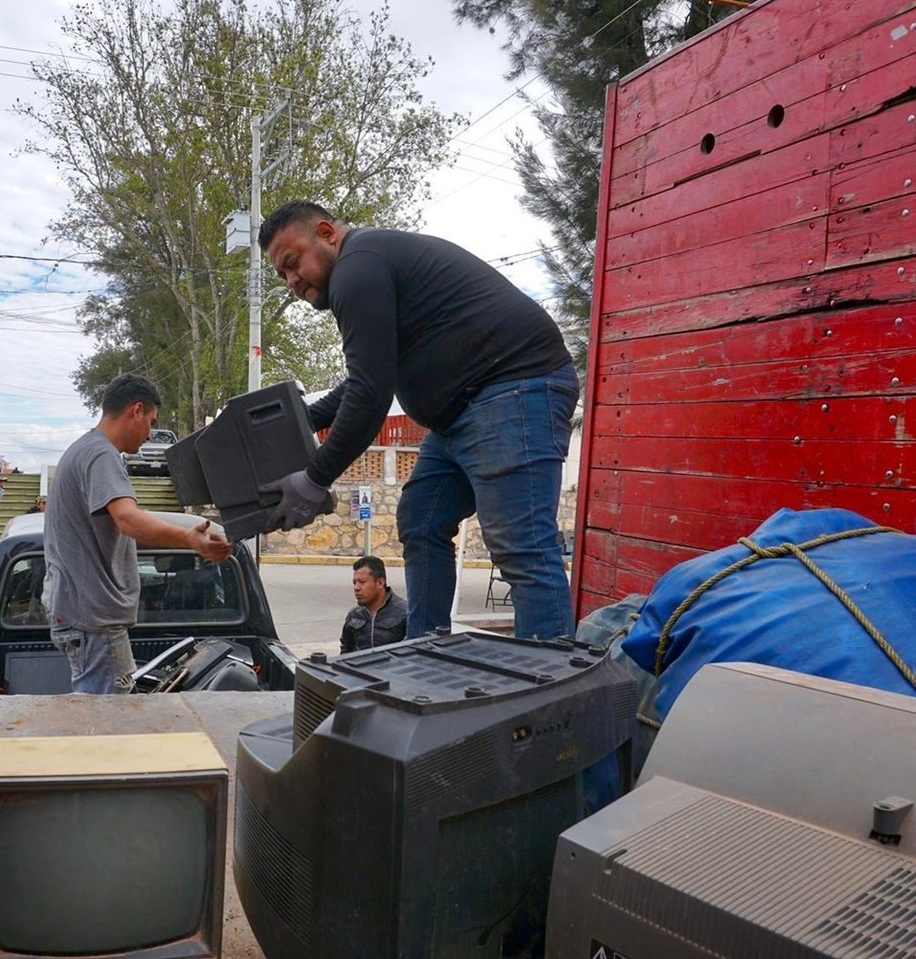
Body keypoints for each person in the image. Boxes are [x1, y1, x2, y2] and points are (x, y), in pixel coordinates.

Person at [259, 201, 578, 642]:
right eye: (282, 275)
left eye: (293, 262)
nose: (292, 280)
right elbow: (367, 379)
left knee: (522, 546)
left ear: (327, 233)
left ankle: (552, 675)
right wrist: (304, 420)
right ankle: (427, 649)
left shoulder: (357, 268)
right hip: (458, 416)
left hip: (514, 389)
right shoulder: (366, 268)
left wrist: (315, 479)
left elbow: (370, 396)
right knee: (423, 520)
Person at [43, 373, 233, 694]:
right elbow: (128, 519)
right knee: (107, 720)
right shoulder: (101, 454)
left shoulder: (85, 450)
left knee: (101, 713)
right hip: (94, 621)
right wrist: (189, 540)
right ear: (136, 410)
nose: (150, 433)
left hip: (83, 615)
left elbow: (127, 525)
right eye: (151, 422)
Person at [340, 556, 407, 654]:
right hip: (359, 664)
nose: (356, 588)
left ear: (380, 583)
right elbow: (345, 649)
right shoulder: (354, 615)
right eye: (354, 582)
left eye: (362, 582)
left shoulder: (404, 613)